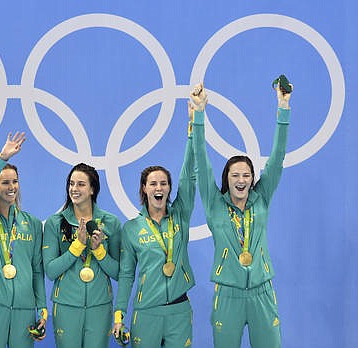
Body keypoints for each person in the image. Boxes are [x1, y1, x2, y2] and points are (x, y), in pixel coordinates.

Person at [190, 81, 292, 348]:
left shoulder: (262, 199)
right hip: (228, 295)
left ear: (252, 179)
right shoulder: (214, 204)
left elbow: (277, 158)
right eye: (235, 175)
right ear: (227, 178)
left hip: (262, 293)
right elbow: (201, 160)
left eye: (246, 175)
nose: (241, 179)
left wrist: (283, 108)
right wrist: (199, 115)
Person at [111, 109, 197, 347]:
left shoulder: (180, 214)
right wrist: (119, 315)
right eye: (153, 183)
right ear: (145, 189)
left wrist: (192, 130)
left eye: (163, 183)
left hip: (179, 309)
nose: (158, 187)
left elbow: (190, 176)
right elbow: (127, 275)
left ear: (169, 189)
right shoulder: (131, 229)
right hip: (146, 310)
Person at [0, 132, 47, 348]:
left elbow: (37, 269)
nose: (11, 187)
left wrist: (42, 309)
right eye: (4, 182)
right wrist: (1, 160)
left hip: (24, 310)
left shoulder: (30, 223)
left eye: (15, 181)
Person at [43, 163, 122, 348]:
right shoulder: (56, 223)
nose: (74, 189)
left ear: (92, 189)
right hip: (66, 306)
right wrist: (77, 245)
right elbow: (51, 270)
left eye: (81, 184)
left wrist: (98, 251)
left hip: (100, 306)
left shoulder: (111, 223)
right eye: (71, 184)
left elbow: (119, 272)